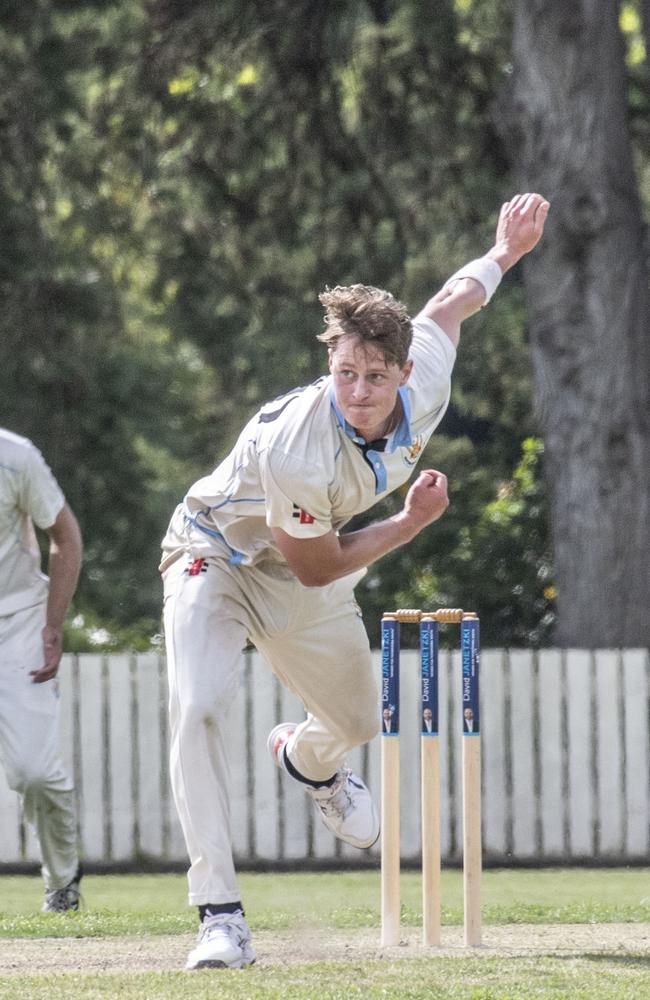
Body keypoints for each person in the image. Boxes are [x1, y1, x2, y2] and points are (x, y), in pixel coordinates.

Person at [160, 192, 550, 969]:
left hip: (300, 569)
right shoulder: (297, 450)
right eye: (345, 373)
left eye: (376, 375)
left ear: (406, 372)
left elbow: (451, 302)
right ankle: (220, 915)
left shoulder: (425, 377)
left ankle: (308, 762)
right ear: (328, 366)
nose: (360, 391)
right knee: (199, 705)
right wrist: (409, 523)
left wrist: (504, 252)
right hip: (217, 552)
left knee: (360, 723)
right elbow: (317, 563)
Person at [0, 428, 83, 911]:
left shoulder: (15, 456)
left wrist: (52, 624)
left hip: (18, 622)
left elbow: (65, 535)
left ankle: (62, 881)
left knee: (32, 772)